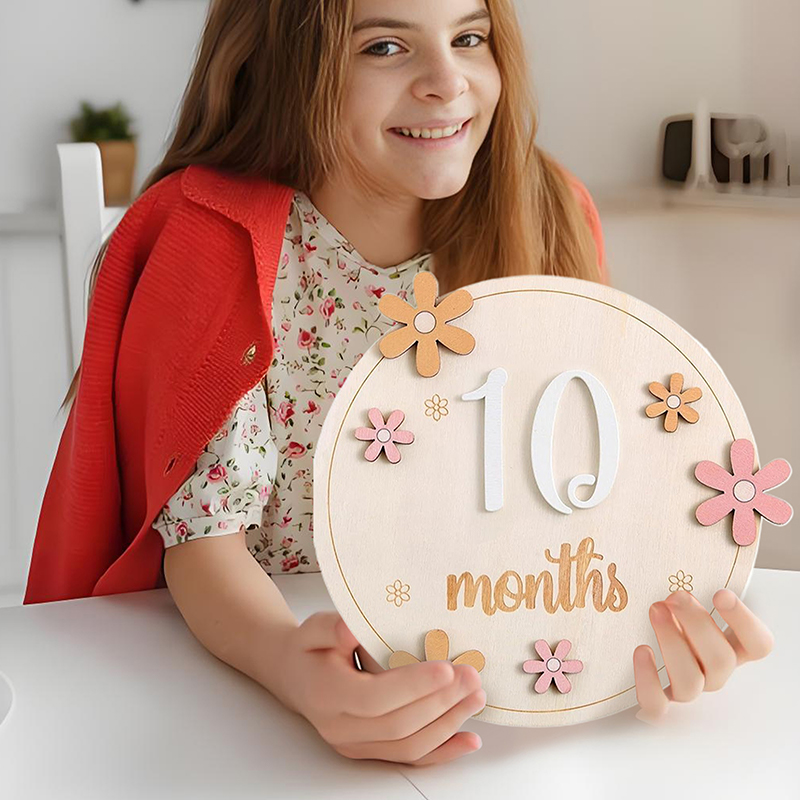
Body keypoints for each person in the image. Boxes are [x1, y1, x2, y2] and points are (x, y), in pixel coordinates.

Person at [24, 0, 774, 767]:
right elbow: (204, 545)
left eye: (470, 37)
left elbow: (577, 503)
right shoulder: (216, 240)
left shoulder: (549, 211)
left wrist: (646, 634)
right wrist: (294, 668)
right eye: (384, 47)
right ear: (283, 68)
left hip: (497, 701)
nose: (447, 82)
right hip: (235, 697)